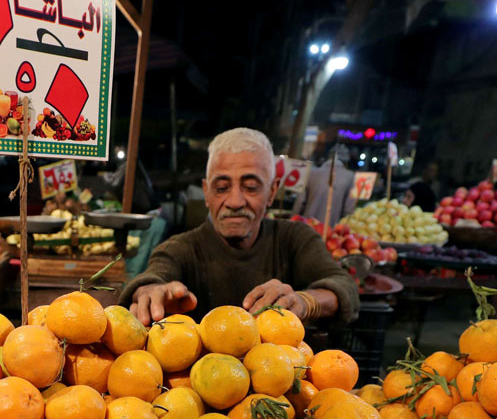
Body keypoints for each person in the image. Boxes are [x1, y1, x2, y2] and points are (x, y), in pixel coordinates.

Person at [120, 128, 360, 327]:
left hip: (279, 376)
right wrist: (149, 290)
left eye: (251, 187)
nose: (235, 202)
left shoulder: (295, 239)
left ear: (272, 192)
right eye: (222, 188)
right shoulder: (180, 249)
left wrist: (305, 301)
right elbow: (155, 274)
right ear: (206, 193)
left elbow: (343, 286)